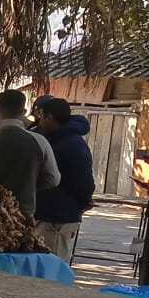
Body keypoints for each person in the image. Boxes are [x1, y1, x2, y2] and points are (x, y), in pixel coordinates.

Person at [0, 89, 61, 216]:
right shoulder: (40, 142)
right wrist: (30, 186)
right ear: (23, 112)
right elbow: (53, 179)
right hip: (22, 214)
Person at [32, 98, 94, 262]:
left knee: (53, 266)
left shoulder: (73, 145)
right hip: (43, 214)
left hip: (58, 218)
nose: (40, 122)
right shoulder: (51, 139)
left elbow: (84, 183)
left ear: (50, 117)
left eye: (42, 117)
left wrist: (83, 202)